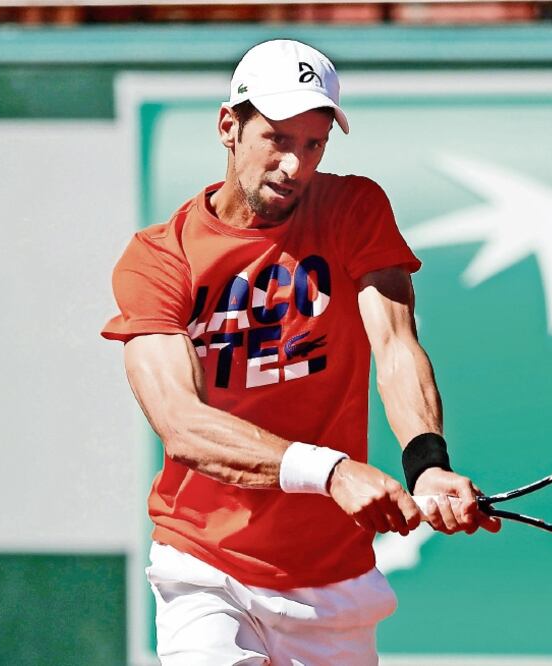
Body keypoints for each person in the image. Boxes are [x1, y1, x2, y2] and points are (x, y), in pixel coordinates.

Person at [101, 39, 500, 665]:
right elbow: (180, 424)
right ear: (229, 127)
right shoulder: (159, 258)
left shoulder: (354, 209)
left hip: (332, 587)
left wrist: (427, 463)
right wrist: (331, 471)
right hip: (207, 569)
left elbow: (395, 345)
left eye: (314, 144)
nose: (294, 164)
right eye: (277, 138)